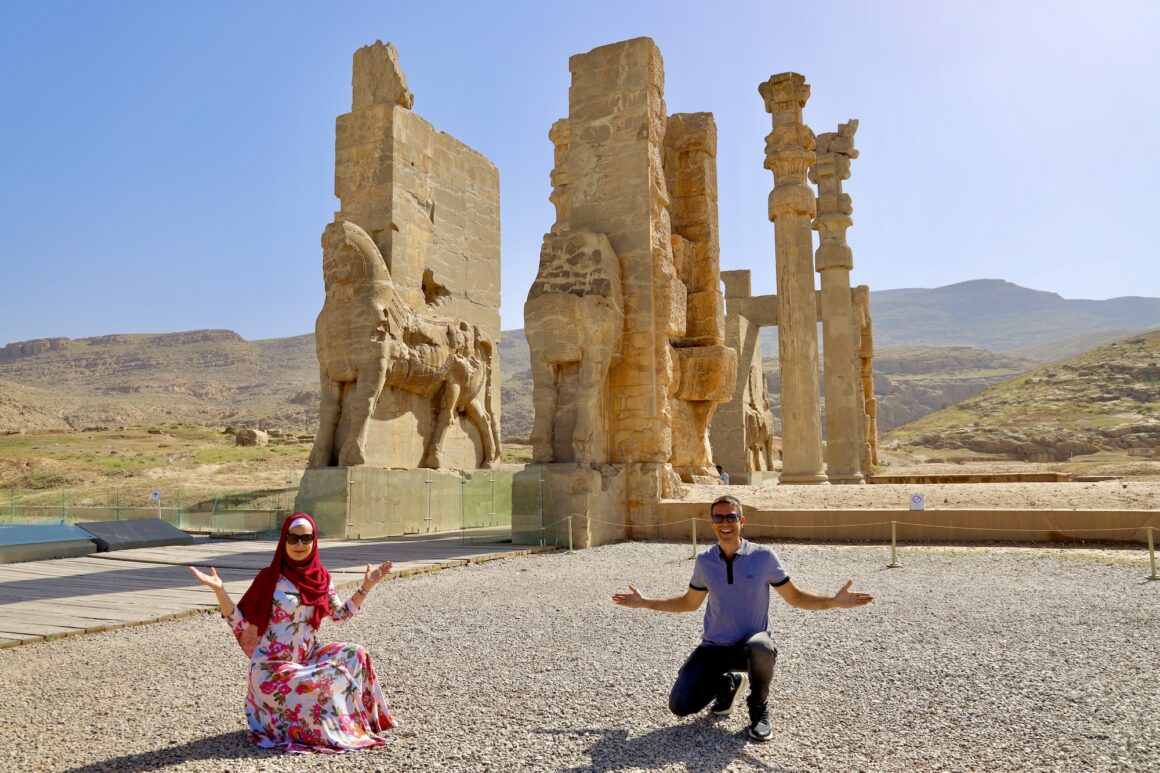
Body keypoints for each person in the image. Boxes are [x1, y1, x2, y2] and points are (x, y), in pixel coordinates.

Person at [612, 495, 873, 742]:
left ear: (741, 521)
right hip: (714, 647)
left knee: (762, 646)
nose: (725, 523)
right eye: (719, 518)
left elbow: (795, 597)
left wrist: (833, 601)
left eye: (731, 517)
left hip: (751, 647)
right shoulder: (705, 562)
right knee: (680, 706)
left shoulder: (763, 557)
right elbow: (688, 603)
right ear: (711, 523)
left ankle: (758, 707)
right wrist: (646, 603)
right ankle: (729, 683)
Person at [189, 512, 395, 754]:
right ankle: (337, 729)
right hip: (272, 668)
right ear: (283, 540)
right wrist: (220, 591)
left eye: (306, 539)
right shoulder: (270, 579)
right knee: (331, 674)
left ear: (314, 541)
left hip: (307, 658)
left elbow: (339, 616)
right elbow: (239, 623)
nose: (299, 545)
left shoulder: (321, 578)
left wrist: (366, 587)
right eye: (293, 538)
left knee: (356, 654)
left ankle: (365, 721)